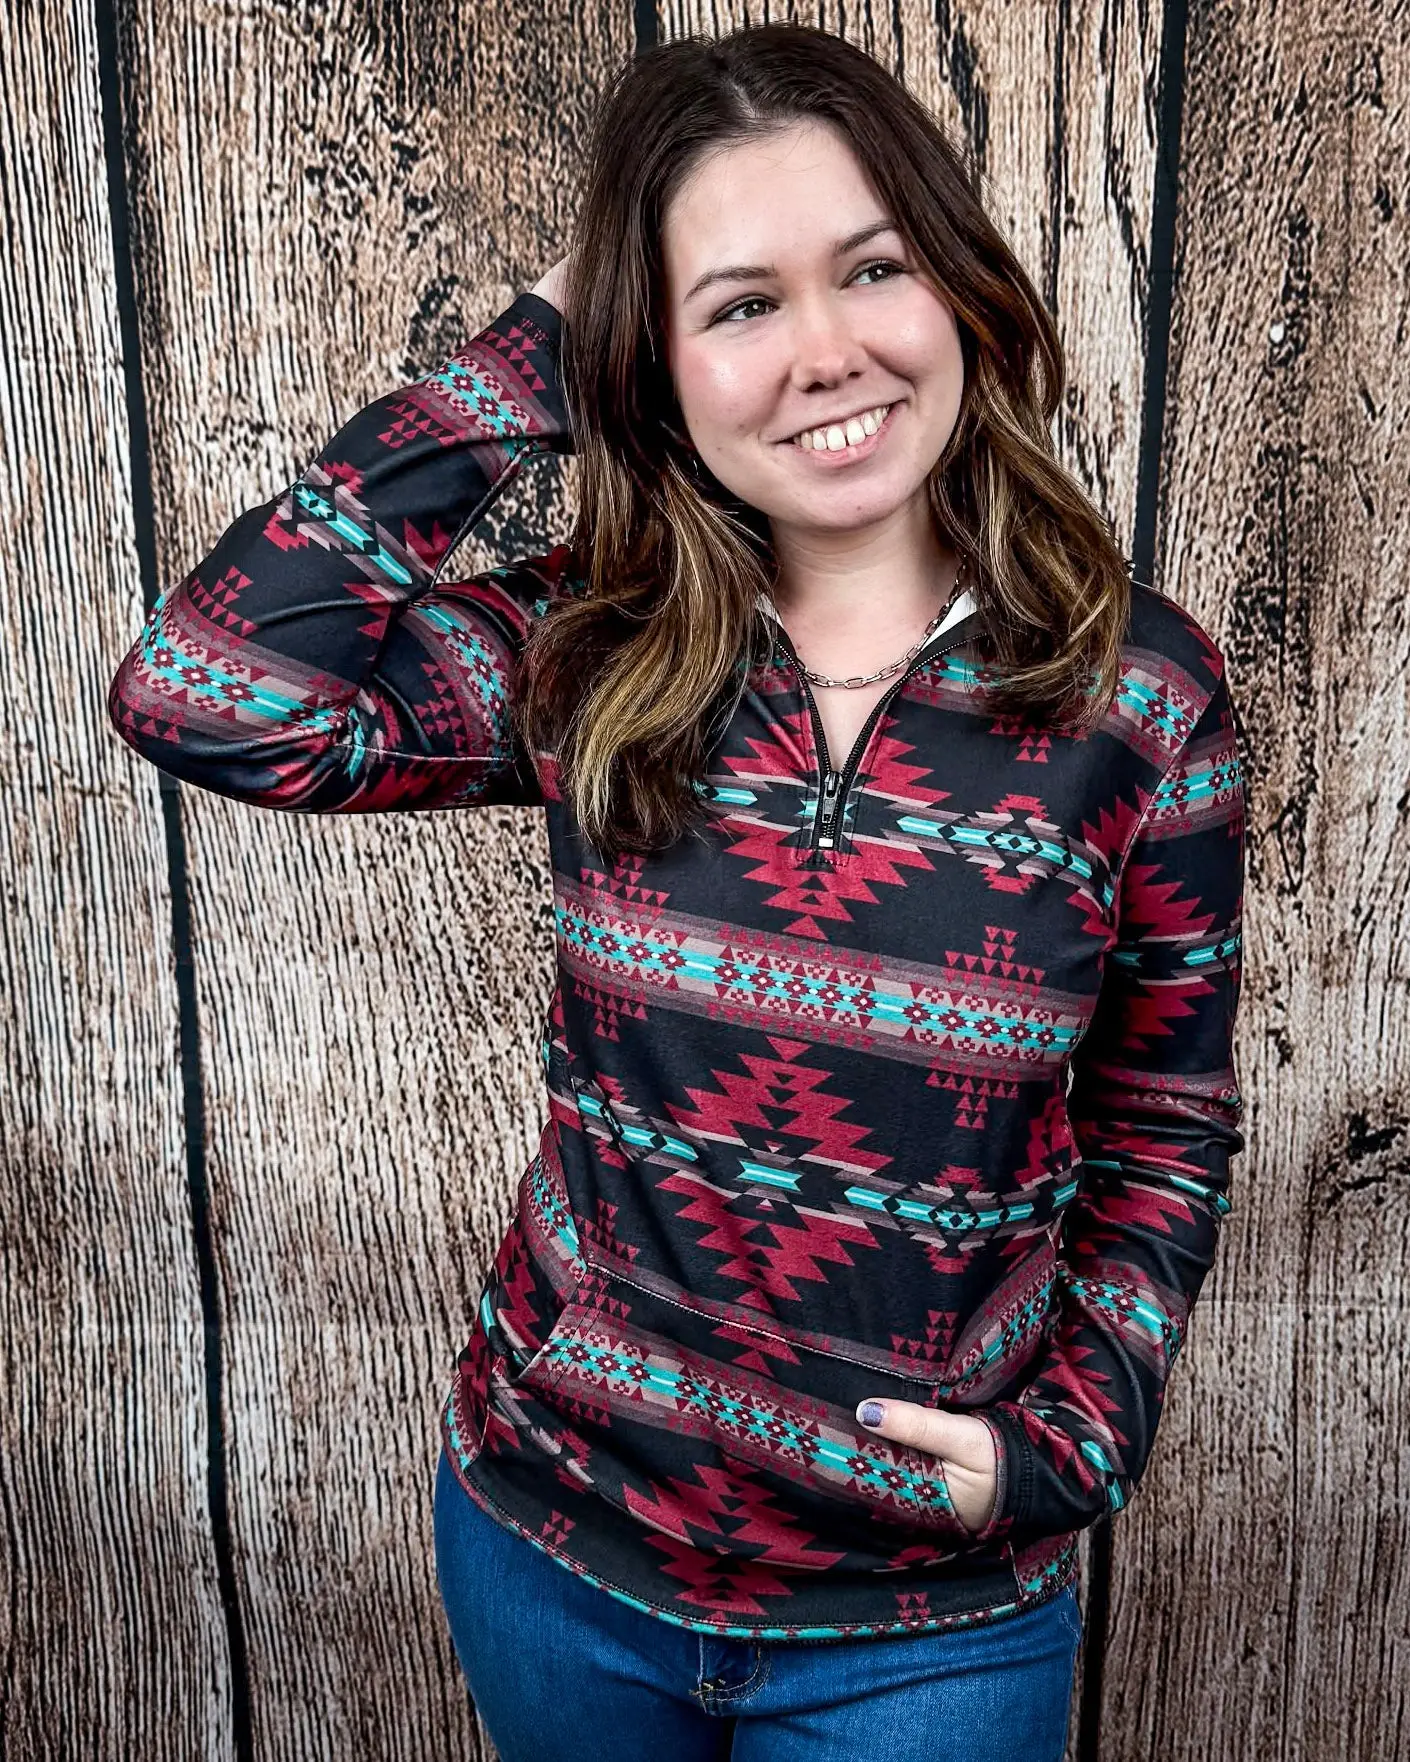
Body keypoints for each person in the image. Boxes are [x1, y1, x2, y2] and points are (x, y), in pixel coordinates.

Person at [106, 21, 1246, 1762]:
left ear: (958, 287)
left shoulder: (1136, 696)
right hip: (554, 1547)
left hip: (917, 1627)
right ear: (649, 360)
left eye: (872, 268)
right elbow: (207, 695)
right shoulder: (591, 650)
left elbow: (1164, 1119)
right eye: (738, 304)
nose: (824, 351)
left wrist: (1074, 1436)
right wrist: (530, 356)